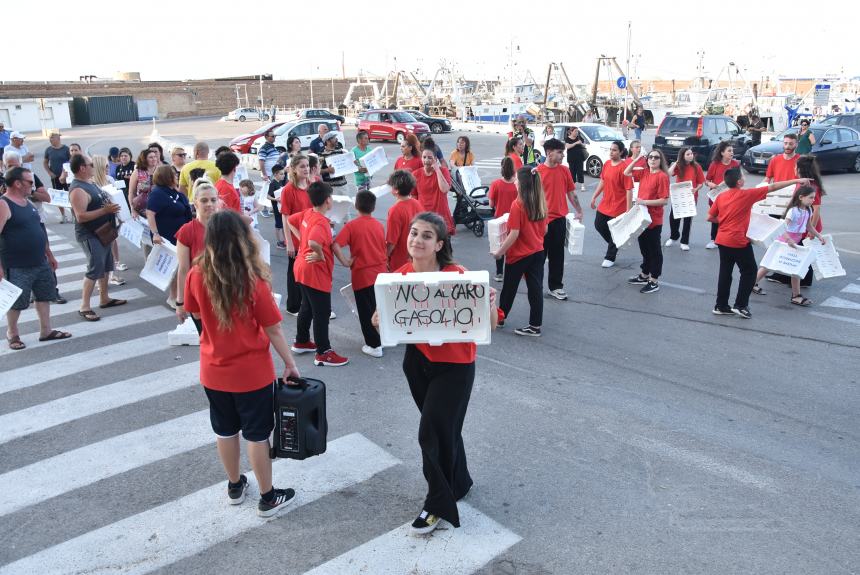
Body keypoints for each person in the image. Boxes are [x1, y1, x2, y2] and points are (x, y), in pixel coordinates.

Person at [371, 212, 499, 536]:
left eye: (427, 235)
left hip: (455, 367)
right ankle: (461, 481)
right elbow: (384, 319)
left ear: (439, 244)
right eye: (414, 233)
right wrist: (378, 319)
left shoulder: (459, 277)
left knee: (430, 432)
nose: (417, 240)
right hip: (417, 362)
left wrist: (488, 305)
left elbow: (491, 324)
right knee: (445, 429)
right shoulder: (400, 275)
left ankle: (437, 504)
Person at [183, 209, 300, 518]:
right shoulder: (251, 279)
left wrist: (210, 337)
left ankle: (235, 486)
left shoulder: (196, 274)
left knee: (225, 431)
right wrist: (290, 364)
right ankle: (267, 496)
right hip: (252, 373)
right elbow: (273, 328)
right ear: (241, 239)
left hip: (213, 369)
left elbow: (194, 313)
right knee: (257, 434)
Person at [707, 168, 809, 319]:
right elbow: (773, 187)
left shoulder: (722, 196)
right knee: (749, 272)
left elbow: (710, 217)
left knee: (725, 273)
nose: (745, 177)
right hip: (737, 241)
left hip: (722, 239)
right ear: (739, 182)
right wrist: (796, 181)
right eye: (743, 175)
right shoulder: (746, 194)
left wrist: (724, 221)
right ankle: (740, 306)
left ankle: (721, 306)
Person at [0, 167, 70, 350]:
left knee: (44, 295)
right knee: (18, 301)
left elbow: (39, 230)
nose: (34, 186)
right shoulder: (4, 204)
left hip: (40, 261)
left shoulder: (28, 203)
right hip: (17, 264)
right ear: (17, 183)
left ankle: (46, 331)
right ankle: (12, 333)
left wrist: (49, 254)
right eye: (30, 182)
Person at [286, 182, 350, 367]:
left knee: (306, 307)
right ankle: (324, 352)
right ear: (328, 201)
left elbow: (290, 221)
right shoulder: (321, 222)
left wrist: (303, 241)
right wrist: (319, 253)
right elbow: (314, 241)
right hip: (315, 272)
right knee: (321, 313)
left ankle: (302, 341)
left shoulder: (308, 213)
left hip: (301, 268)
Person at [68, 154, 126, 321]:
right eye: (91, 164)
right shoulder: (78, 189)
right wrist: (105, 211)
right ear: (82, 168)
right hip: (91, 234)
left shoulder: (89, 183)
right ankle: (84, 306)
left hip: (103, 231)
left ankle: (104, 298)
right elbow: (81, 216)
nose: (94, 166)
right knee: (94, 268)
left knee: (106, 265)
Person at [493, 167, 547, 336]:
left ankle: (500, 319)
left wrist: (499, 252)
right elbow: (544, 230)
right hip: (537, 251)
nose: (515, 181)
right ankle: (535, 325)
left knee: (509, 289)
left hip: (518, 255)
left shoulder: (518, 204)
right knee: (535, 289)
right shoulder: (540, 202)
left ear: (522, 184)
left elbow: (514, 234)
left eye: (516, 179)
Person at [333, 190, 387, 357]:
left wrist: (345, 261)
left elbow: (335, 245)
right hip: (380, 272)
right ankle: (383, 338)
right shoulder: (378, 225)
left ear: (356, 206)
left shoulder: (351, 226)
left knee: (366, 312)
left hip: (362, 274)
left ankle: (374, 344)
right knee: (379, 308)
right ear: (373, 207)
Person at [751, 186, 826, 305]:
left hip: (794, 242)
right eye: (811, 197)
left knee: (796, 268)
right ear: (801, 197)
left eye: (813, 198)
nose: (813, 200)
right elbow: (782, 228)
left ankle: (796, 296)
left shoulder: (809, 210)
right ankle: (751, 284)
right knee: (768, 265)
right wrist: (789, 239)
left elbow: (809, 226)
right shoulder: (793, 211)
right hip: (783, 242)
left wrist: (819, 236)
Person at [538, 138, 582, 300]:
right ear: (549, 153)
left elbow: (572, 193)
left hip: (559, 221)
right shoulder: (537, 172)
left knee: (557, 256)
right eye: (559, 152)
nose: (563, 155)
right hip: (541, 221)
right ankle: (536, 286)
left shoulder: (564, 171)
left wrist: (579, 211)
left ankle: (555, 287)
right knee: (539, 257)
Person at [624, 149, 670, 294]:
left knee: (654, 250)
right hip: (641, 218)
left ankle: (654, 280)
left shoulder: (662, 176)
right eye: (650, 157)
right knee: (644, 248)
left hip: (654, 220)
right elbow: (626, 172)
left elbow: (664, 201)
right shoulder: (644, 172)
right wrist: (636, 159)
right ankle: (644, 275)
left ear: (660, 160)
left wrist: (644, 202)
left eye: (656, 157)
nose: (653, 159)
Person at [146, 165, 192, 307]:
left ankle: (184, 295)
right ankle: (173, 297)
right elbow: (150, 214)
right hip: (167, 236)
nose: (177, 176)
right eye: (174, 174)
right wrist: (155, 234)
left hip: (182, 235)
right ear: (166, 177)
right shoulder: (157, 193)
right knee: (176, 266)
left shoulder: (174, 192)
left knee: (184, 265)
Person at [175, 178, 219, 324]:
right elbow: (183, 270)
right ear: (195, 202)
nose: (210, 204)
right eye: (204, 200)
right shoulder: (187, 231)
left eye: (213, 200)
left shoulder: (227, 226)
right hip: (199, 296)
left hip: (226, 294)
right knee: (206, 341)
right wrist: (180, 302)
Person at [279, 155, 313, 316]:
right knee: (294, 273)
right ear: (293, 169)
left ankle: (308, 303)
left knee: (309, 271)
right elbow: (285, 217)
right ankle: (293, 306)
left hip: (310, 236)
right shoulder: (288, 190)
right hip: (295, 237)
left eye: (307, 166)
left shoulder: (312, 186)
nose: (306, 169)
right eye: (302, 166)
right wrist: (289, 242)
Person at [591, 141, 632, 268]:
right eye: (610, 149)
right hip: (605, 203)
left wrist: (628, 211)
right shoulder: (607, 164)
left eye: (614, 150)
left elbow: (629, 189)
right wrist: (594, 197)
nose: (611, 152)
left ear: (620, 152)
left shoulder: (625, 167)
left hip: (619, 205)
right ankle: (616, 243)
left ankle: (610, 256)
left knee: (614, 231)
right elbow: (603, 181)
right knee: (599, 225)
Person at [91, 154, 127, 286]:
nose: (108, 168)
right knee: (99, 252)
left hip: (111, 219)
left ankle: (110, 275)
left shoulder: (110, 179)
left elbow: (117, 198)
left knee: (111, 246)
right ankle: (99, 280)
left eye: (108, 165)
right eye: (105, 166)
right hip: (97, 221)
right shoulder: (91, 183)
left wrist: (122, 216)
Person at [665, 147, 705, 250]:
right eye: (687, 154)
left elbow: (701, 182)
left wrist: (696, 189)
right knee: (673, 218)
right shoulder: (679, 166)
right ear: (682, 156)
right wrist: (676, 162)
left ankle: (684, 241)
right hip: (678, 196)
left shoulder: (697, 167)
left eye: (691, 154)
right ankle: (674, 236)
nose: (690, 156)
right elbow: (668, 174)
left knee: (687, 220)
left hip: (691, 196)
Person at [704, 142, 740, 249]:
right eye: (729, 151)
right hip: (716, 197)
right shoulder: (714, 164)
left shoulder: (735, 165)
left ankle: (726, 239)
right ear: (722, 153)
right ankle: (713, 239)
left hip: (730, 197)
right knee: (715, 218)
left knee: (728, 218)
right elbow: (707, 180)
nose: (732, 153)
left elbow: (739, 180)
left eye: (732, 151)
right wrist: (711, 184)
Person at [487, 157, 518, 282]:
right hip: (514, 218)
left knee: (499, 245)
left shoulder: (495, 184)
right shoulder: (517, 184)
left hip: (499, 219)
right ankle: (513, 271)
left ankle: (499, 273)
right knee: (513, 246)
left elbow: (490, 204)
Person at [385, 170, 422, 271]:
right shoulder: (417, 203)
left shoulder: (395, 210)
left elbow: (392, 242)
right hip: (416, 257)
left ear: (396, 190)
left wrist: (384, 258)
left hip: (400, 261)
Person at [413, 148, 455, 235]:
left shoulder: (443, 171)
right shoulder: (416, 174)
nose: (426, 160)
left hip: (441, 216)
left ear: (435, 159)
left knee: (443, 247)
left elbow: (444, 189)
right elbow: (414, 198)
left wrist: (437, 170)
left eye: (430, 158)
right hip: (424, 217)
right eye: (424, 157)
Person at [42, 132, 71, 223]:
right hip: (55, 177)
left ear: (58, 139)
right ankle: (63, 216)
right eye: (50, 138)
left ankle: (74, 215)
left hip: (66, 177)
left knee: (70, 195)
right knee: (57, 196)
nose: (50, 140)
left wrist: (68, 172)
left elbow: (71, 161)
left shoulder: (66, 149)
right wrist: (49, 172)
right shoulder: (48, 150)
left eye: (52, 138)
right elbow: (45, 162)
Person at [128, 148, 159, 219]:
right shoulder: (137, 172)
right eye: (151, 157)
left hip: (158, 208)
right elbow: (132, 192)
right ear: (144, 159)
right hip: (142, 209)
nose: (154, 159)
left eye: (155, 157)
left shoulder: (160, 170)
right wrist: (133, 209)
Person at [267, 164, 287, 248]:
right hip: (276, 207)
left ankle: (284, 240)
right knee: (278, 225)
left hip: (282, 206)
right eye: (281, 174)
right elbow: (268, 196)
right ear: (275, 174)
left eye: (283, 174)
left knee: (283, 224)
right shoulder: (273, 183)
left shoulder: (281, 182)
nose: (283, 175)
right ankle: (279, 242)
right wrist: (276, 199)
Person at [564, 126, 587, 192]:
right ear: (571, 132)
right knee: (572, 172)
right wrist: (576, 143)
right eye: (575, 131)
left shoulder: (579, 138)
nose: (577, 132)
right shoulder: (567, 139)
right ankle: (572, 185)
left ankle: (582, 185)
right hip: (571, 158)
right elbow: (568, 147)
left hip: (579, 157)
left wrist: (581, 144)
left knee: (580, 171)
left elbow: (584, 145)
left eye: (577, 131)